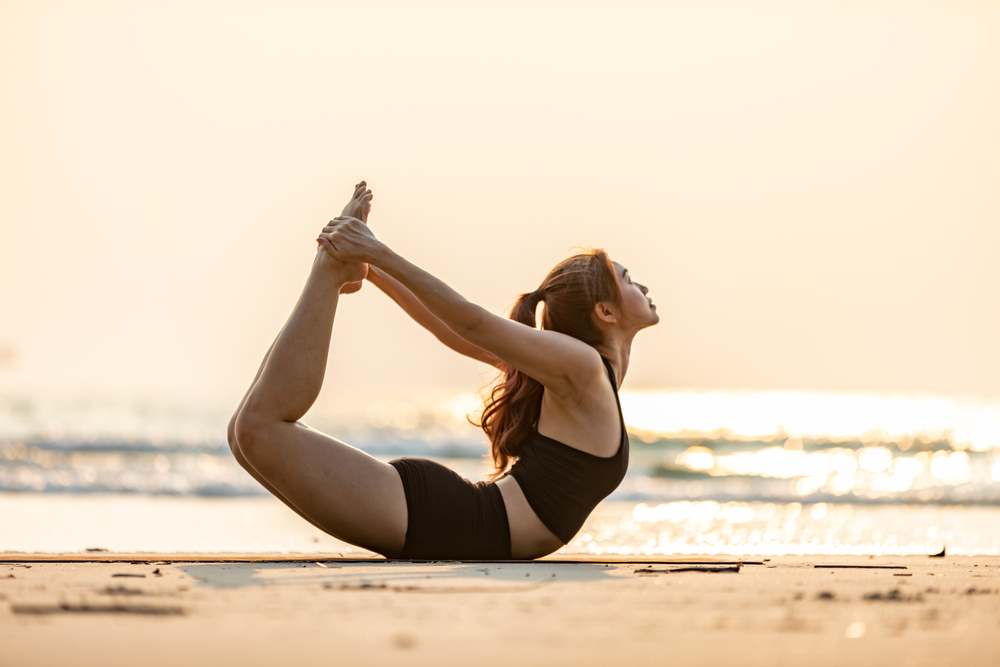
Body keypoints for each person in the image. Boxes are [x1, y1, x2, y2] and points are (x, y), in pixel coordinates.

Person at [227, 181, 659, 560]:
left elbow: (455, 333)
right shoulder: (580, 367)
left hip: (448, 519)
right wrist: (374, 256)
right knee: (253, 431)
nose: (641, 286)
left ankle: (335, 267)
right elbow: (467, 323)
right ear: (604, 310)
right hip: (446, 520)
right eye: (627, 278)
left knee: (248, 432)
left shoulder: (574, 373)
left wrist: (372, 266)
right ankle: (328, 271)